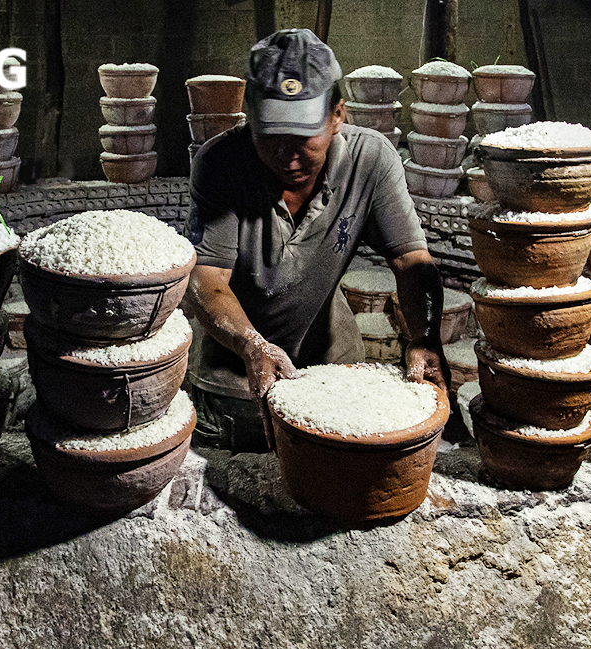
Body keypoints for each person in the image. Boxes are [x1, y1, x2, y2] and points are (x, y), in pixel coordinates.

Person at [184, 28, 449, 452]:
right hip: (234, 379)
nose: (288, 156)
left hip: (331, 370)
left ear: (337, 114)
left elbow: (411, 260)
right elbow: (206, 278)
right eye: (271, 136)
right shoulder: (220, 163)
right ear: (249, 117)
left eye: (303, 136)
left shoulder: (371, 160)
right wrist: (251, 345)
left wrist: (425, 337)